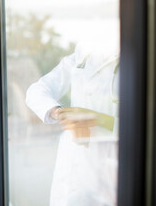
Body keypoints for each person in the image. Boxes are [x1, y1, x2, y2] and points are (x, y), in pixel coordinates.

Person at [26, 43, 119, 206]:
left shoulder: (139, 58)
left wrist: (98, 119)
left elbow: (143, 126)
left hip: (108, 162)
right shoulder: (80, 56)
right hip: (72, 156)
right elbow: (36, 91)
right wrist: (60, 113)